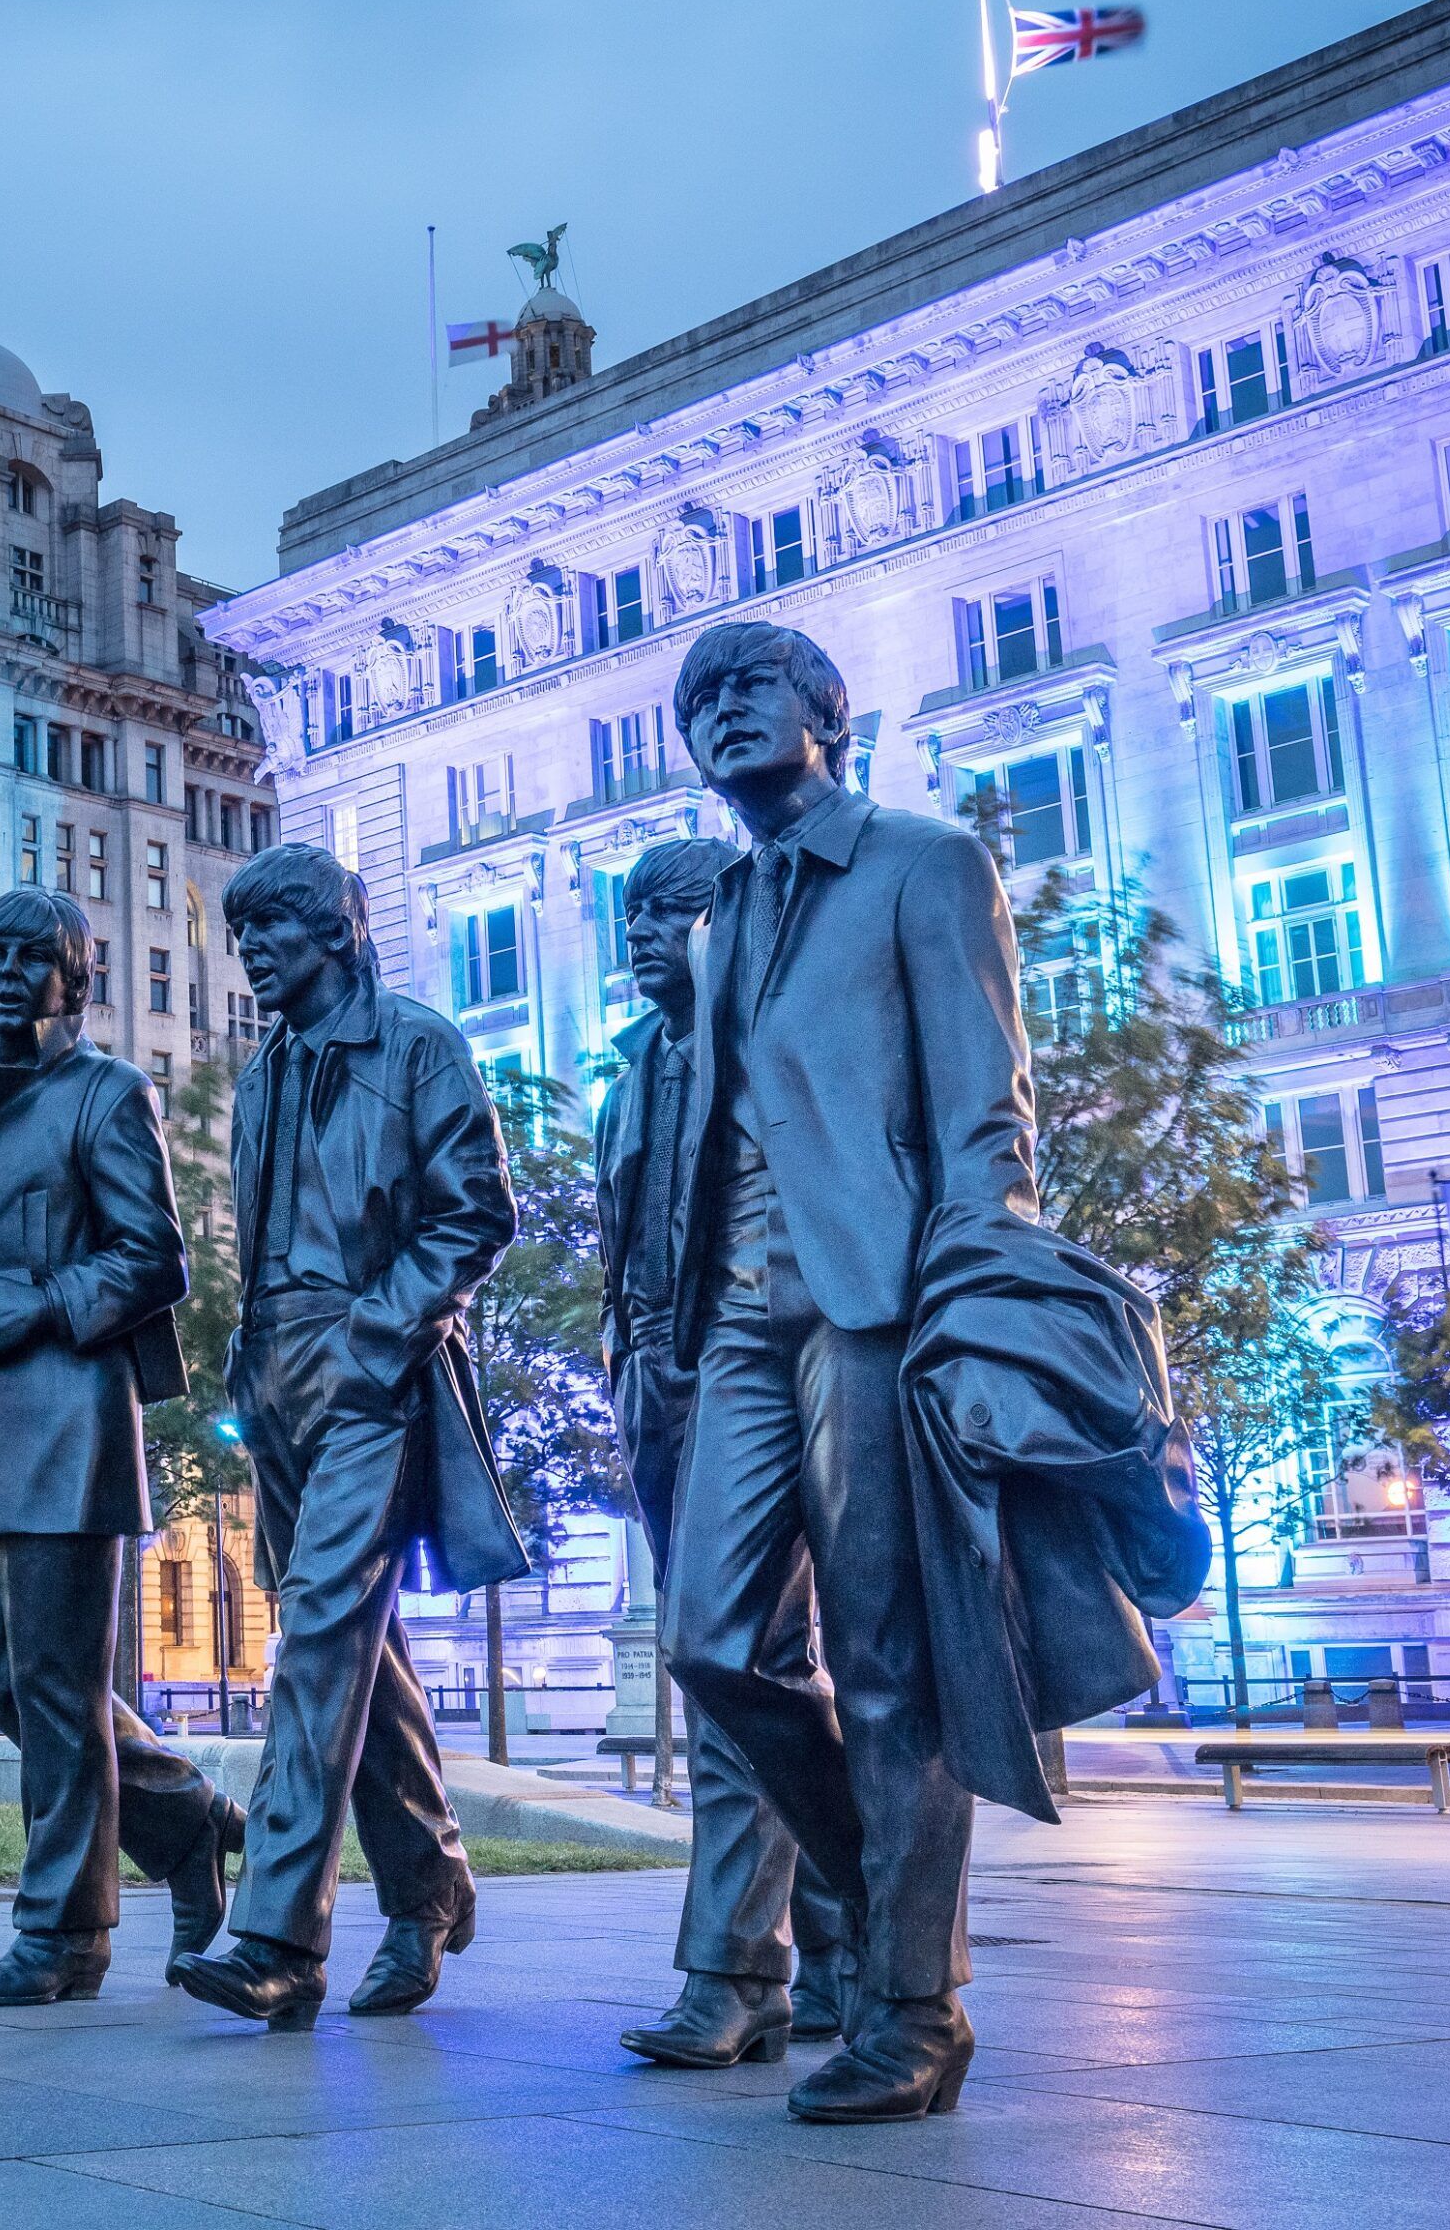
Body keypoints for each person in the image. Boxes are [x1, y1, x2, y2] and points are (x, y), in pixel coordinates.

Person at [661, 620, 1001, 2123]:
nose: (722, 713)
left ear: (827, 713)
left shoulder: (925, 865)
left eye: (750, 688)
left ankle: (914, 2008)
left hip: (874, 1297)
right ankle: (874, 1911)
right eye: (698, 703)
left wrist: (972, 1294)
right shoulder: (725, 907)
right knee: (712, 1642)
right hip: (736, 1313)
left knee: (885, 1661)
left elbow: (987, 1109)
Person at [174, 844, 522, 2031]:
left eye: (272, 925)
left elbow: (475, 1211)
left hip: (373, 1367)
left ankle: (277, 1937)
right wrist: (252, 1365)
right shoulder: (261, 1073)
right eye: (243, 931)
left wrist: (376, 1334)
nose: (253, 948)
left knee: (319, 1636)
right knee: (353, 1647)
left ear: (335, 926)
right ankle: (427, 1887)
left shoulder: (415, 1044)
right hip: (274, 1377)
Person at [0, 888, 242, 2006]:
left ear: (75, 979)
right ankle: (189, 1823)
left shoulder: (106, 1094)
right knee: (0, 1682)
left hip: (59, 1424)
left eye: (31, 955)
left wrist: (41, 1301)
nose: (6, 970)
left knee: (53, 1689)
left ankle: (63, 1937)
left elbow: (155, 1258)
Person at [593, 836, 845, 2069]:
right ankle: (847, 1935)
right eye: (631, 915)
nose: (642, 933)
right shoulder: (631, 1069)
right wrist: (626, 1363)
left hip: (769, 1372)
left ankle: (734, 1970)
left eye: (672, 912)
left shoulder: (778, 1051)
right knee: (747, 1663)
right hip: (661, 1390)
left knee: (724, 1652)